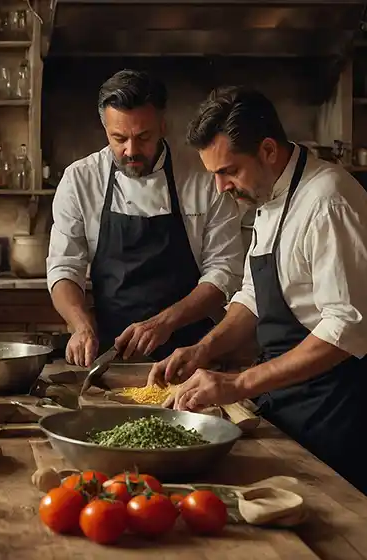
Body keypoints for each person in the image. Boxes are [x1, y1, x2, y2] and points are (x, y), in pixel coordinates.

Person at [151, 86, 367, 494]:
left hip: (335, 413)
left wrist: (237, 384)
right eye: (214, 173)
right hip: (287, 403)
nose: (220, 187)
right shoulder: (268, 195)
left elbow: (347, 329)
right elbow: (252, 296)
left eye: (228, 170)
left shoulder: (328, 201)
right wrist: (204, 349)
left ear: (268, 150)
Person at [47, 70, 244, 367]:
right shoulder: (81, 180)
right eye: (119, 138)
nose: (131, 151)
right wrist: (80, 325)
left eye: (143, 137)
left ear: (163, 125)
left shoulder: (204, 177)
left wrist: (165, 322)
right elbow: (64, 267)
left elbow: (224, 271)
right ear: (105, 131)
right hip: (110, 353)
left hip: (191, 355)